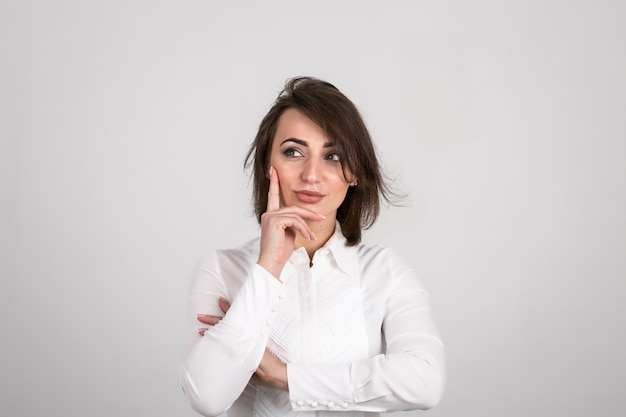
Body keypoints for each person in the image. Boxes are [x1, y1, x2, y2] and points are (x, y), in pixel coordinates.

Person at [178, 76, 445, 417]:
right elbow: (207, 397)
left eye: (333, 156)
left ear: (355, 173)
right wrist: (269, 267)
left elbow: (425, 381)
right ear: (267, 165)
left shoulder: (385, 271)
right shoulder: (221, 268)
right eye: (294, 152)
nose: (312, 175)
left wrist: (286, 377)